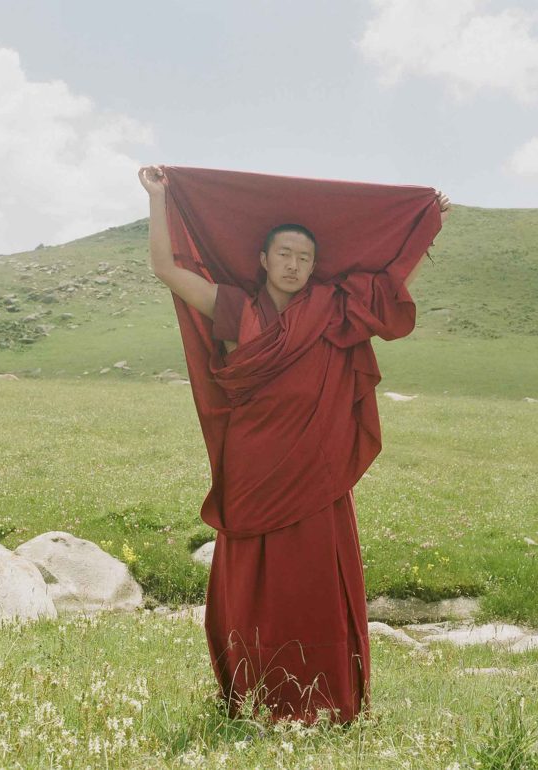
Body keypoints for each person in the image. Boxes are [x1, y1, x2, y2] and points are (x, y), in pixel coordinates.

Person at [138, 165, 449, 722]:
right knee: (254, 584)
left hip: (316, 469)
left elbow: (386, 292)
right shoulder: (236, 308)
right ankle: (255, 697)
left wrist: (424, 228)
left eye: (305, 257)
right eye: (284, 254)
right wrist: (160, 198)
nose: (295, 265)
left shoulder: (330, 308)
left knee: (314, 584)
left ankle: (326, 699)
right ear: (263, 259)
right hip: (254, 467)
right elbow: (166, 267)